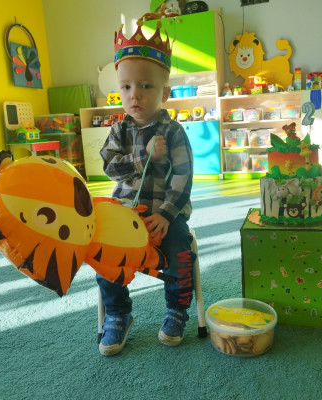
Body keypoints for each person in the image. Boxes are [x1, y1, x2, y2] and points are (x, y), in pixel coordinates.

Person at [97, 19, 195, 356]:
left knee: (180, 251)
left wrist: (166, 214)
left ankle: (177, 310)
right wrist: (143, 156)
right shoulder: (118, 130)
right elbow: (110, 166)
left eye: (145, 86)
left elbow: (183, 176)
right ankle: (118, 313)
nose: (134, 94)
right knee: (104, 254)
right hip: (125, 214)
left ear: (164, 93)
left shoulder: (173, 131)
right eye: (125, 87)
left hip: (165, 215)